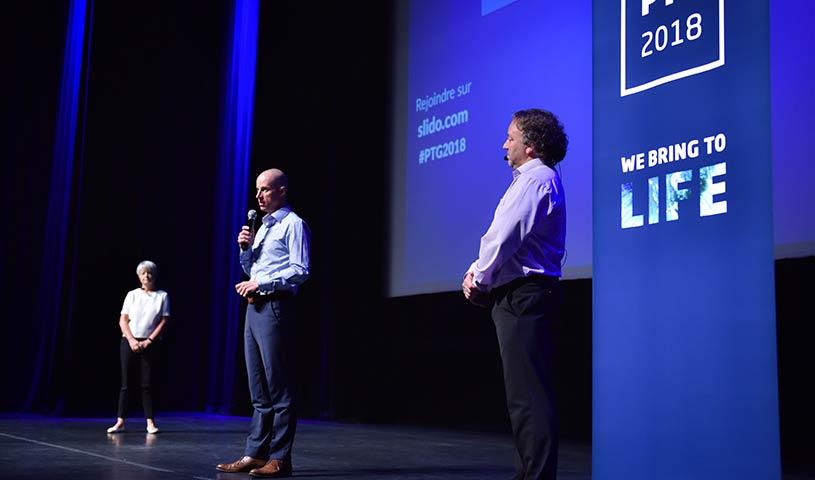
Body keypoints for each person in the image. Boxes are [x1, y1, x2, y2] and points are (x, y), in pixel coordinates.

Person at [462, 108, 568, 480]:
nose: (504, 144)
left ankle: (536, 476)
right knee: (523, 395)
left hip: (524, 295)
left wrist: (480, 277)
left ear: (532, 144)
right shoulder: (535, 179)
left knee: (528, 397)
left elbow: (504, 236)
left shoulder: (534, 180)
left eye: (510, 137)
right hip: (525, 295)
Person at [216, 168, 310, 478]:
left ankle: (280, 458)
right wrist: (245, 249)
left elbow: (300, 270)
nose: (258, 196)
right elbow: (252, 270)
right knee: (258, 389)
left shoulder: (293, 224)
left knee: (279, 388)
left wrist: (262, 283)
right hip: (254, 309)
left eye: (265, 190)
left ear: (282, 190)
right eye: (257, 190)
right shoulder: (265, 227)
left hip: (276, 308)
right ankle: (255, 454)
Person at [107, 260, 170, 434]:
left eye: (149, 273)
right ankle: (120, 421)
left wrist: (148, 341)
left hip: (150, 343)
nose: (146, 276)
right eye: (143, 273)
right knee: (126, 383)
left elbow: (164, 321)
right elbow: (123, 320)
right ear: (139, 277)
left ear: (154, 276)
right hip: (129, 340)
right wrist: (132, 340)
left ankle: (150, 422)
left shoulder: (162, 296)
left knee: (147, 383)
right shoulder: (132, 295)